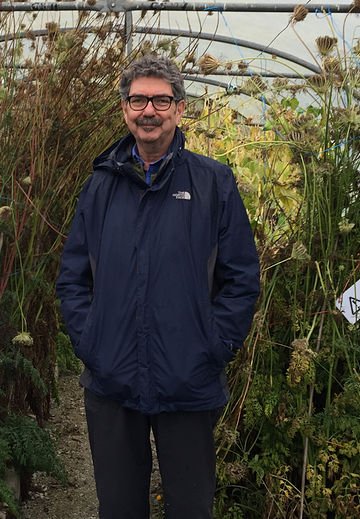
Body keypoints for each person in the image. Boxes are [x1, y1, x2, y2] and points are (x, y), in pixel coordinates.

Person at [56, 54, 261, 519]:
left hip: (188, 377)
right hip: (113, 378)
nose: (149, 110)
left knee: (190, 507)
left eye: (161, 100)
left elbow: (242, 277)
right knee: (120, 507)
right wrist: (92, 343)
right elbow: (73, 276)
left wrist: (216, 345)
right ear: (125, 109)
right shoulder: (100, 186)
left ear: (180, 109)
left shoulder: (213, 183)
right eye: (138, 100)